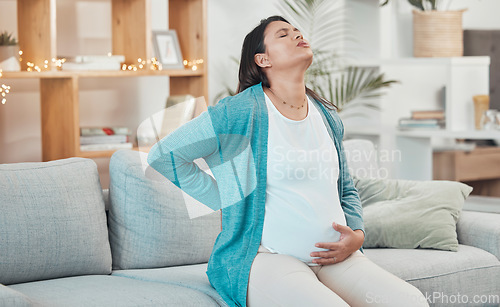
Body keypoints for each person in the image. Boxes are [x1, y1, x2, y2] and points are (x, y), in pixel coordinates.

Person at [147, 15, 429, 307]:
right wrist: (226, 198)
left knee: (410, 301)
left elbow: (345, 186)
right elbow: (165, 156)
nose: (296, 34)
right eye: (283, 34)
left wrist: (357, 233)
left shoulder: (326, 115)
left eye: (296, 30)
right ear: (263, 60)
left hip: (335, 258)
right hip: (266, 259)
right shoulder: (240, 112)